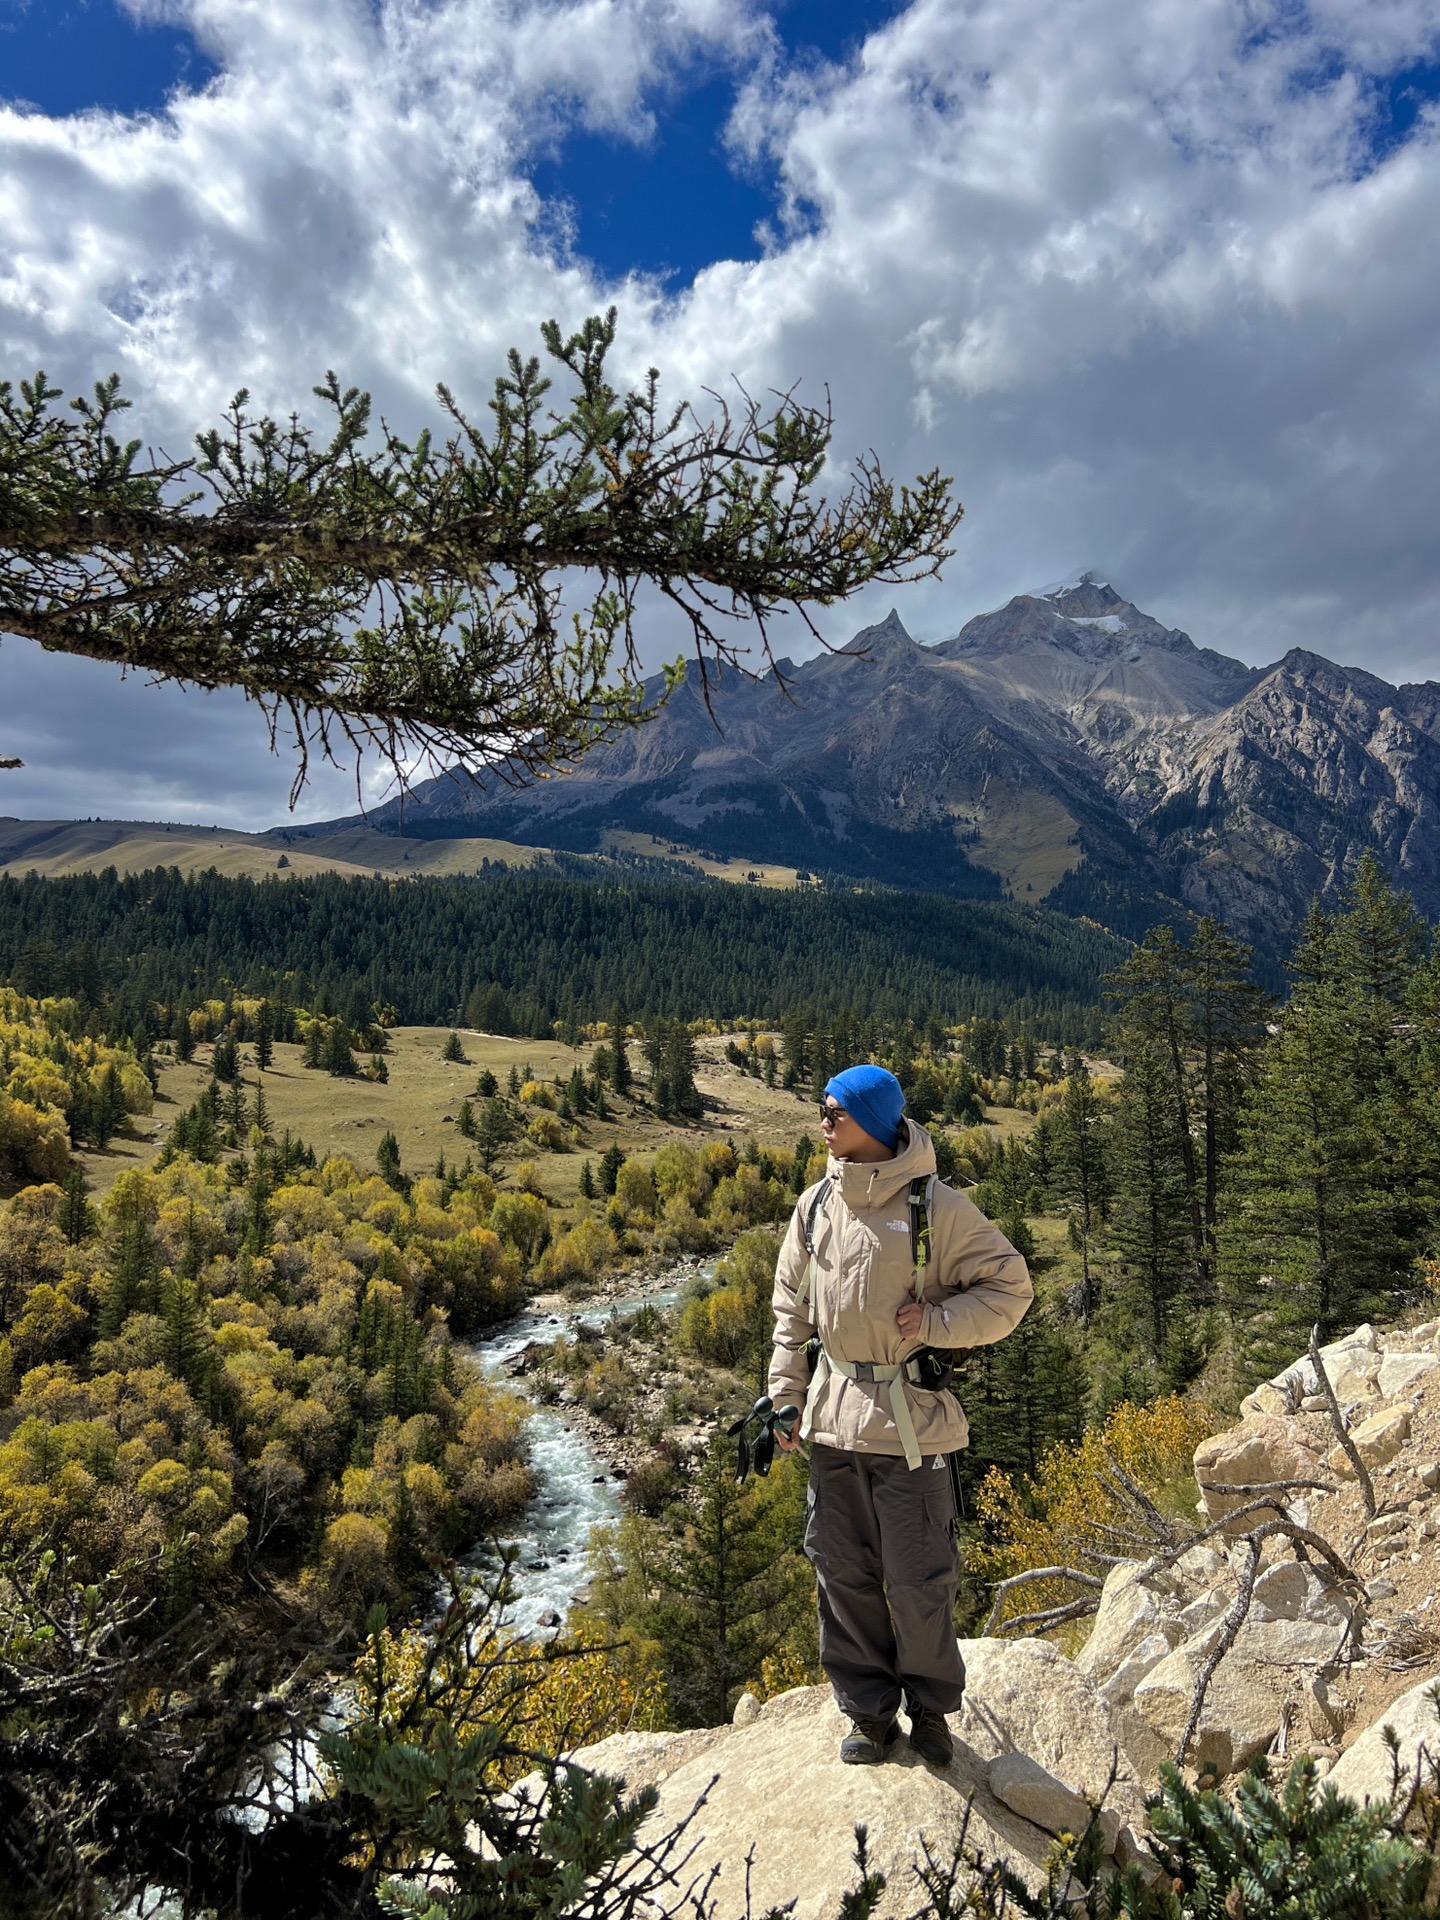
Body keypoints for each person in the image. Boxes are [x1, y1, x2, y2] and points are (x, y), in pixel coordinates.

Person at [771, 1063, 1033, 1766]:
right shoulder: (815, 1206)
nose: (824, 1123)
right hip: (833, 1423)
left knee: (920, 1581)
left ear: (872, 1120)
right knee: (842, 1574)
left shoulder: (935, 1207)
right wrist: (786, 1399)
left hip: (910, 1426)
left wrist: (938, 1324)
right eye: (824, 1110)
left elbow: (1011, 1289)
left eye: (835, 1112)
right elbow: (792, 1313)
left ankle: (931, 1712)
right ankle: (868, 1715)